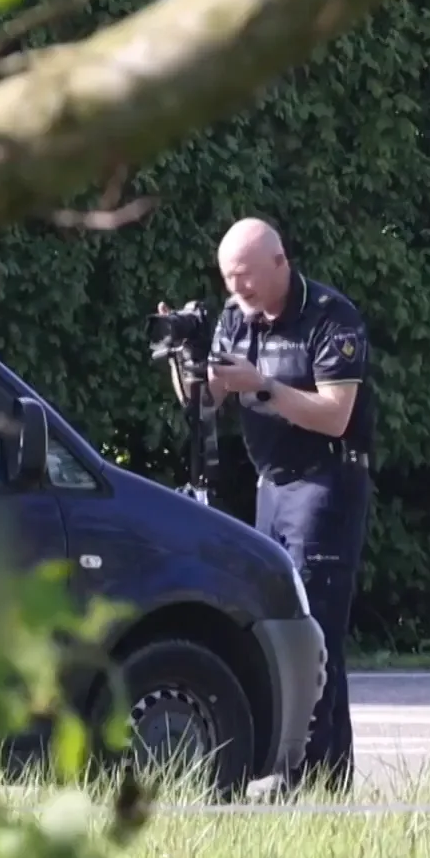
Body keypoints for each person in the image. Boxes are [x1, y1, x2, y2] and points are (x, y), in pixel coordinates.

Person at [159, 217, 376, 796]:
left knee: (317, 632)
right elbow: (205, 403)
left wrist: (261, 387)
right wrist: (189, 365)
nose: (239, 291)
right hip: (271, 485)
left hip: (326, 483)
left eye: (247, 278)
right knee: (282, 629)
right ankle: (323, 777)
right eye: (230, 279)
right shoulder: (235, 316)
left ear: (280, 263)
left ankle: (311, 777)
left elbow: (336, 414)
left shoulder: (331, 317)